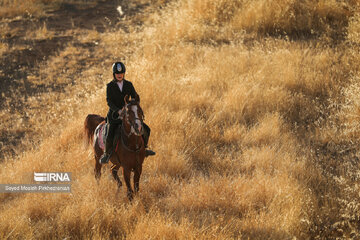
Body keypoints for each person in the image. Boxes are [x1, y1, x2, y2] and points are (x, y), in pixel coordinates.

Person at [99, 61, 155, 164]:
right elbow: (109, 101)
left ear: (124, 73)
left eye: (121, 73)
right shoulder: (110, 86)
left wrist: (133, 104)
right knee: (110, 133)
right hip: (115, 115)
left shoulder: (129, 84)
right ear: (114, 74)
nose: (120, 75)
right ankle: (107, 154)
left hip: (129, 114)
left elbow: (134, 95)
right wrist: (118, 110)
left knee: (146, 128)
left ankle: (145, 149)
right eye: (117, 73)